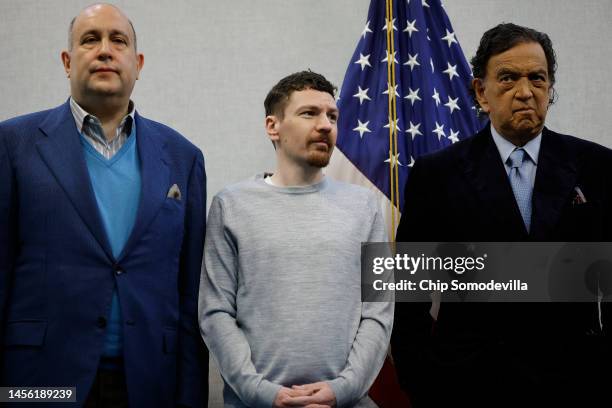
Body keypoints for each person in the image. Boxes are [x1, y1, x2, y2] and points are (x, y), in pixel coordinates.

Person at [392, 23, 612, 407]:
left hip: (577, 383)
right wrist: (426, 386)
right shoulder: (436, 174)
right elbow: (408, 299)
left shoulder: (598, 166)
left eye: (537, 78)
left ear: (550, 87)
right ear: (481, 91)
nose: (525, 92)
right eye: (508, 78)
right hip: (469, 387)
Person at [0, 4, 207, 407]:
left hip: (149, 382)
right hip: (41, 383)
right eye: (90, 40)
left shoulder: (183, 157)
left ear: (138, 62)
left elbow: (190, 295)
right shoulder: (12, 146)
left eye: (119, 40)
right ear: (67, 60)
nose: (105, 50)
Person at [199, 71, 393, 408]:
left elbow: (378, 311)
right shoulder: (231, 205)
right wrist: (264, 393)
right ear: (272, 126)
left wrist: (342, 389)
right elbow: (215, 312)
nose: (325, 125)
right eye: (309, 114)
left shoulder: (365, 206)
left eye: (332, 116)